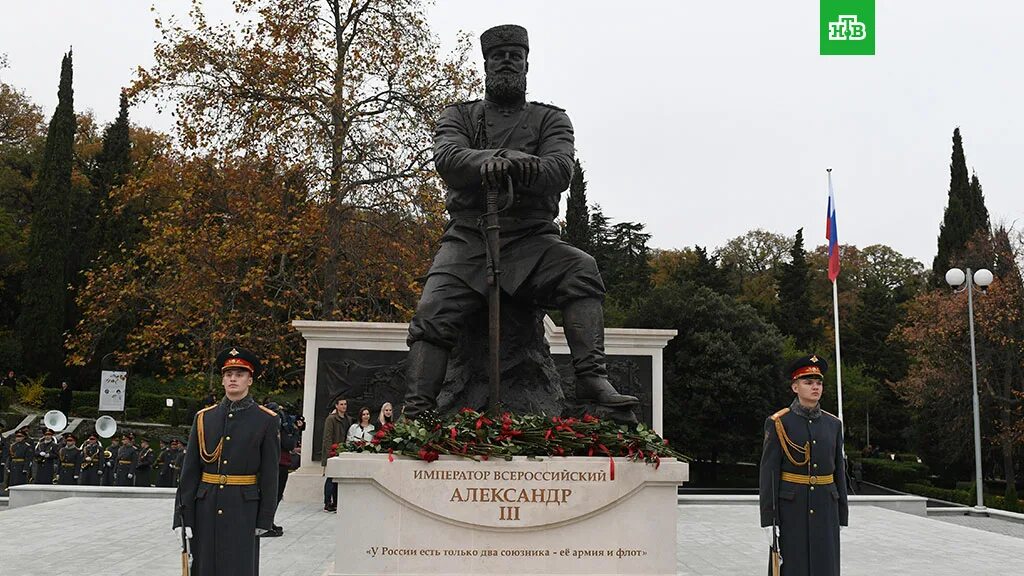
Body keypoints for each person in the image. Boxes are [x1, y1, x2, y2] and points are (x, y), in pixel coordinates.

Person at [402, 24, 639, 420]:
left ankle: (590, 379)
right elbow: (447, 157)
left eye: (515, 56)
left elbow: (560, 169)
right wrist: (490, 161)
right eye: (499, 56)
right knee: (432, 311)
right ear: (486, 64)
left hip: (532, 239)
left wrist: (508, 164)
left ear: (527, 64)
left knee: (582, 269)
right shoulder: (459, 115)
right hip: (469, 238)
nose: (507, 62)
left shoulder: (551, 119)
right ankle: (417, 411)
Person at [173, 346, 280, 576]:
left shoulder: (265, 420)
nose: (233, 379)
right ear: (222, 380)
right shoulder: (204, 418)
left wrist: (265, 518)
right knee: (204, 567)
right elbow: (189, 472)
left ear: (250, 380)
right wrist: (182, 517)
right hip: (206, 506)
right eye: (228, 374)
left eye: (240, 375)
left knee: (238, 567)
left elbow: (271, 475)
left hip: (243, 509)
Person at [759, 355, 848, 576]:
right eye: (808, 383)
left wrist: (842, 514)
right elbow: (769, 472)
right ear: (795, 387)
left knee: (825, 566)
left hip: (826, 506)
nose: (815, 387)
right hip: (792, 508)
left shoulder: (833, 424)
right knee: (792, 565)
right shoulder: (779, 422)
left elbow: (839, 472)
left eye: (818, 383)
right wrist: (769, 518)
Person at [321, 396, 350, 512]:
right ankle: (327, 503)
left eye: (345, 404)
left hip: (343, 453)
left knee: (338, 479)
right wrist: (329, 454)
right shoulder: (331, 419)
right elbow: (327, 437)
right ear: (336, 406)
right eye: (341, 404)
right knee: (330, 478)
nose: (344, 406)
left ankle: (336, 502)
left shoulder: (348, 419)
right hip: (332, 453)